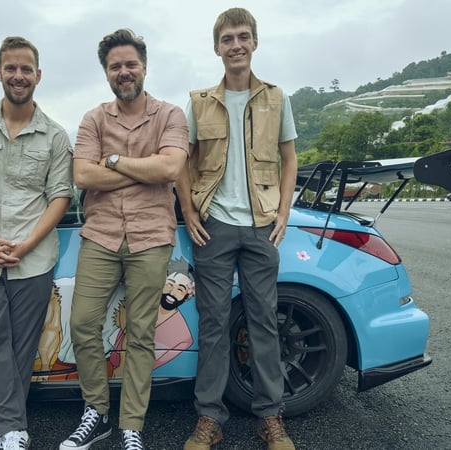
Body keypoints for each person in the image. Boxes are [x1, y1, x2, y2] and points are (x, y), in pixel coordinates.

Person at [59, 28, 189, 450]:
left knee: (141, 332)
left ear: (144, 67)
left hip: (151, 237)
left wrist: (113, 161)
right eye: (115, 66)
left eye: (131, 63)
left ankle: (132, 424)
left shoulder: (170, 115)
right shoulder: (93, 119)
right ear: (106, 73)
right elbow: (83, 175)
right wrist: (142, 169)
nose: (124, 71)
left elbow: (169, 169)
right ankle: (96, 412)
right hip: (101, 236)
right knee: (82, 324)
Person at [176, 8, 298, 450]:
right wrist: (189, 212)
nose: (236, 45)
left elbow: (289, 158)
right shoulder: (199, 102)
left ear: (255, 42)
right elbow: (181, 162)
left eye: (243, 37)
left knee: (264, 322)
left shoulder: (277, 98)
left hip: (262, 225)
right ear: (217, 47)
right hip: (214, 227)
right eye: (227, 39)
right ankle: (209, 418)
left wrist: (283, 212)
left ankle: (271, 418)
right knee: (214, 324)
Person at [0, 35, 73, 450]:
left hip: (33, 258)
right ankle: (8, 428)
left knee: (21, 347)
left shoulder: (55, 136)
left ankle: (4, 429)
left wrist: (26, 245)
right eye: (11, 68)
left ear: (38, 75)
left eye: (26, 69)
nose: (18, 76)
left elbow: (60, 196)